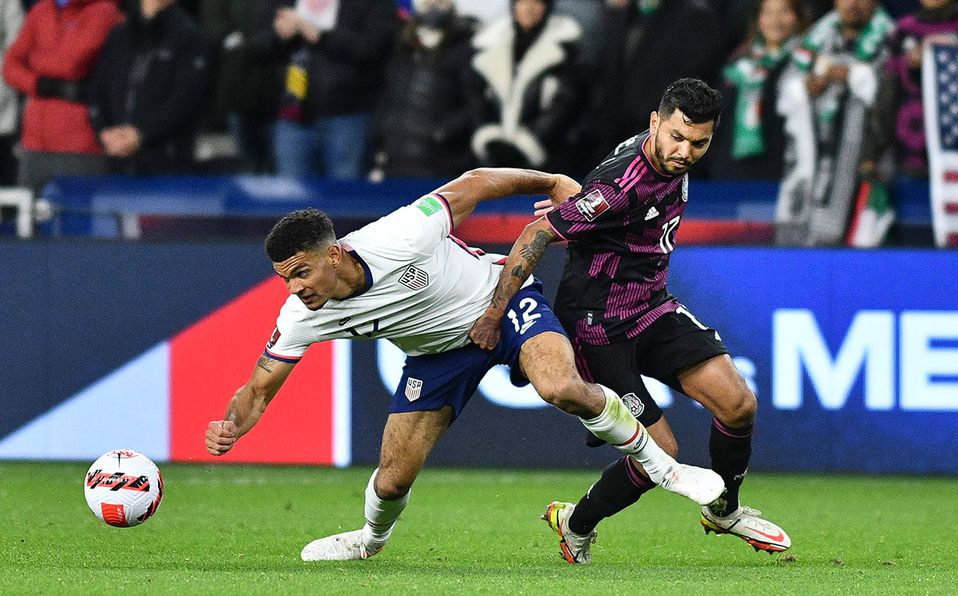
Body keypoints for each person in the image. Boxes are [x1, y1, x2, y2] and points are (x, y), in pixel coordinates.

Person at [204, 167, 726, 562]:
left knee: (561, 385)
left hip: (500, 302)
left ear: (335, 254)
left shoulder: (401, 235)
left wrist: (551, 181)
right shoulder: (301, 315)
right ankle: (369, 541)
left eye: (301, 273)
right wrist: (233, 426)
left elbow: (476, 182)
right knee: (390, 482)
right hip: (436, 355)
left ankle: (663, 466)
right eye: (285, 279)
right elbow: (258, 389)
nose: (295, 289)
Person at [470, 79, 791, 565]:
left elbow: (579, 196)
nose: (685, 152)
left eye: (698, 143)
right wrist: (496, 314)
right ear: (655, 123)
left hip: (651, 307)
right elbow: (538, 232)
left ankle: (724, 510)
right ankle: (575, 523)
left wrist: (570, 198)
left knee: (739, 404)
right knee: (661, 450)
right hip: (598, 326)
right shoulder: (623, 184)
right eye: (677, 138)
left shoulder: (655, 156)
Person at [774, 0, 895, 246]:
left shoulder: (891, 38)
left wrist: (852, 76)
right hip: (815, 154)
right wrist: (804, 87)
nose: (852, 4)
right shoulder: (818, 36)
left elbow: (893, 90)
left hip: (863, 159)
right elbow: (785, 86)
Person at [266, 0, 399, 179]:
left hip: (349, 114)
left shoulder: (373, 4)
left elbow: (374, 48)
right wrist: (278, 36)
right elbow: (253, 47)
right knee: (291, 198)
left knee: (345, 198)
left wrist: (320, 35)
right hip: (291, 115)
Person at [2, 0, 121, 195]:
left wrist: (32, 61)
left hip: (80, 142)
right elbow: (9, 66)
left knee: (77, 217)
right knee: (27, 217)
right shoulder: (42, 9)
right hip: (34, 141)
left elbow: (70, 64)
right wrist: (38, 83)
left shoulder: (103, 11)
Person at [86, 0, 213, 175]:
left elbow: (186, 101)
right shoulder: (119, 36)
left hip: (167, 165)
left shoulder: (191, 38)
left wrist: (142, 135)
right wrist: (104, 131)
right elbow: (98, 90)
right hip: (115, 161)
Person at [467, 0, 587, 174]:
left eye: (537, 2)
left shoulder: (568, 51)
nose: (529, 8)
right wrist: (490, 138)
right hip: (491, 158)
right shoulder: (488, 45)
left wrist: (527, 144)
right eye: (523, 1)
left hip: (548, 160)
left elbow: (565, 103)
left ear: (547, 7)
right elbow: (476, 99)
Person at [369, 0, 478, 179]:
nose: (434, 5)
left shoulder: (464, 45)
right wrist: (383, 133)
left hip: (444, 162)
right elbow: (389, 96)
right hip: (396, 160)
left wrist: (443, 132)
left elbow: (475, 105)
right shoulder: (402, 43)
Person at [709, 0, 807, 180]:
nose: (775, 21)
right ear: (757, 19)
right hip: (731, 171)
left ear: (798, 17)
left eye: (784, 12)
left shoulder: (805, 63)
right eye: (767, 13)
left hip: (781, 171)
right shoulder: (737, 64)